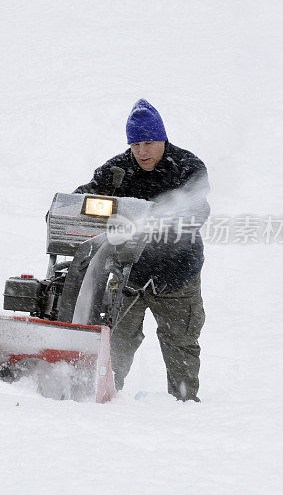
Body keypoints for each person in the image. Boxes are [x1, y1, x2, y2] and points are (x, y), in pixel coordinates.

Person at [73, 99, 210, 401]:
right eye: (135, 144)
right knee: (115, 341)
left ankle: (184, 406)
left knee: (181, 344)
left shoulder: (187, 168)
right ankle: (104, 400)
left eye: (148, 142)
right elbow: (85, 196)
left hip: (178, 278)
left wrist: (164, 221)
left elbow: (199, 210)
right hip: (128, 276)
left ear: (162, 138)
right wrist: (66, 207)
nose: (142, 152)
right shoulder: (118, 170)